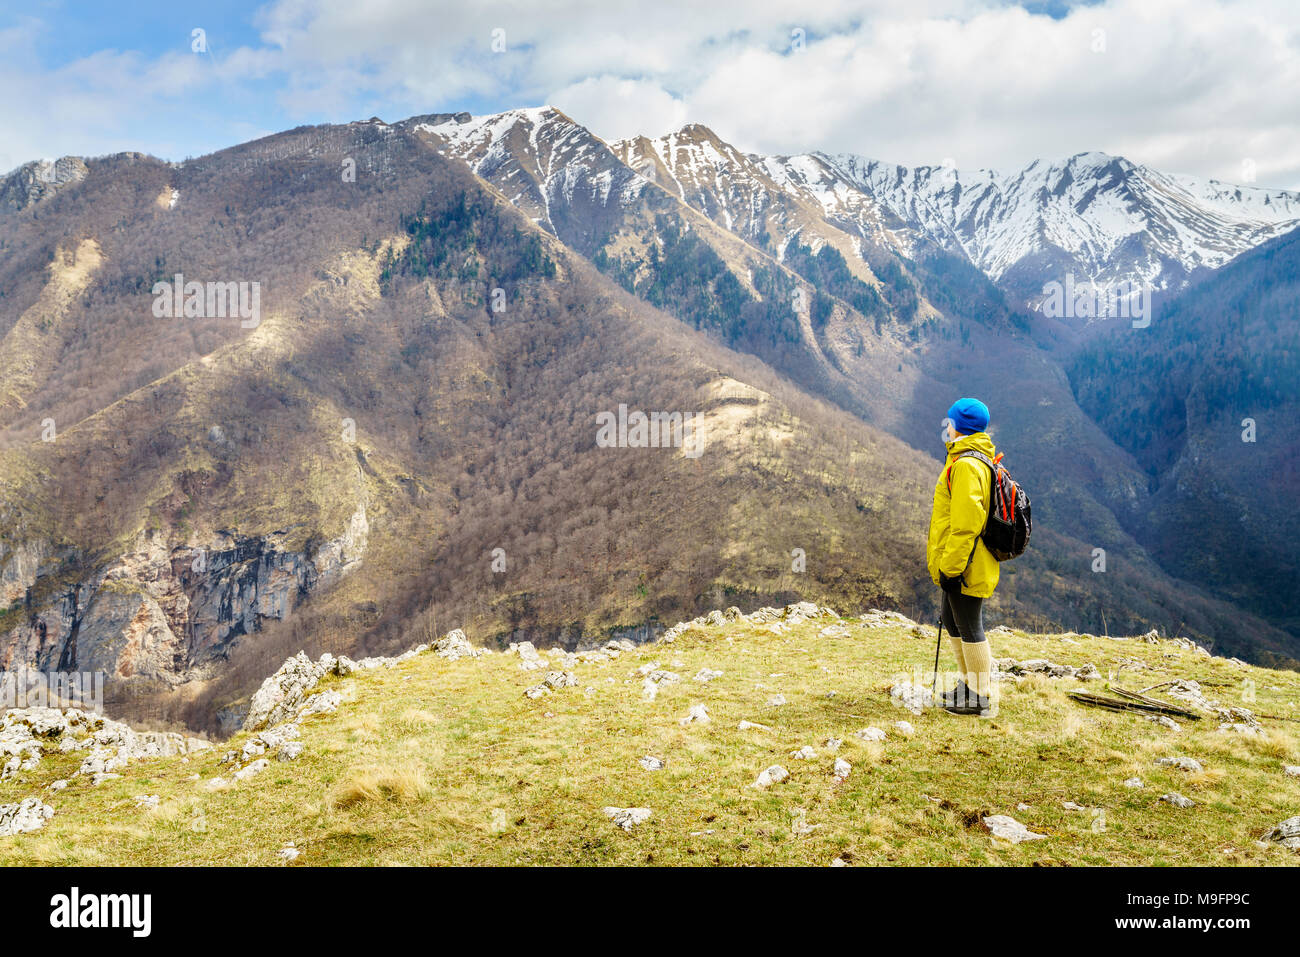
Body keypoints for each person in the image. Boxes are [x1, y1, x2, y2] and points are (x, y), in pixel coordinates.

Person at [927, 398, 999, 715]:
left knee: (969, 625)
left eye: (950, 421)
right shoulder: (969, 459)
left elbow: (966, 526)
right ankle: (967, 686)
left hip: (967, 561)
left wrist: (952, 568)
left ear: (958, 426)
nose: (947, 425)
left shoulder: (968, 465)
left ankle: (979, 696)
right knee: (955, 623)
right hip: (964, 559)